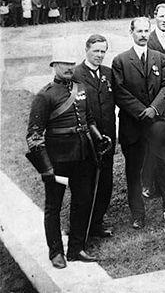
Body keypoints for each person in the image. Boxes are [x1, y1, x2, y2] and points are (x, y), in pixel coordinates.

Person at [26, 41, 111, 267]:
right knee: (54, 205)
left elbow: (88, 118)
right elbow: (34, 136)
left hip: (83, 157)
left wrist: (98, 137)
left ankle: (76, 248)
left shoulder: (80, 88)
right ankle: (56, 252)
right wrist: (46, 169)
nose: (68, 67)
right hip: (58, 161)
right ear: (54, 65)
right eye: (63, 63)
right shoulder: (45, 96)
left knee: (82, 201)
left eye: (71, 63)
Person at [112, 18, 165, 227]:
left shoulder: (159, 58)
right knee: (134, 170)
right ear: (131, 32)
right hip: (133, 125)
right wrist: (142, 111)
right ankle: (138, 213)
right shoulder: (120, 61)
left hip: (156, 124)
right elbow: (120, 93)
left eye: (146, 31)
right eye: (139, 31)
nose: (143, 35)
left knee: (163, 164)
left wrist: (154, 109)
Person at [71, 35, 115, 239]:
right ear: (86, 50)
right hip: (86, 139)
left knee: (106, 183)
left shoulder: (108, 73)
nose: (99, 55)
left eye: (103, 51)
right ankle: (82, 228)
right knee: (85, 185)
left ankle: (97, 222)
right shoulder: (76, 74)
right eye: (96, 51)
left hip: (107, 138)